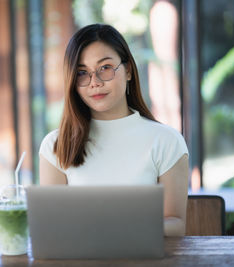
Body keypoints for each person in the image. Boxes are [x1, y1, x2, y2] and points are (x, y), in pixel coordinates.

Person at [39, 24, 189, 236]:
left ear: (127, 70)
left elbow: (175, 223)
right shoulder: (55, 145)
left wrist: (119, 229)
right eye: (82, 72)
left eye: (105, 68)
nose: (95, 82)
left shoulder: (166, 141)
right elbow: (50, 227)